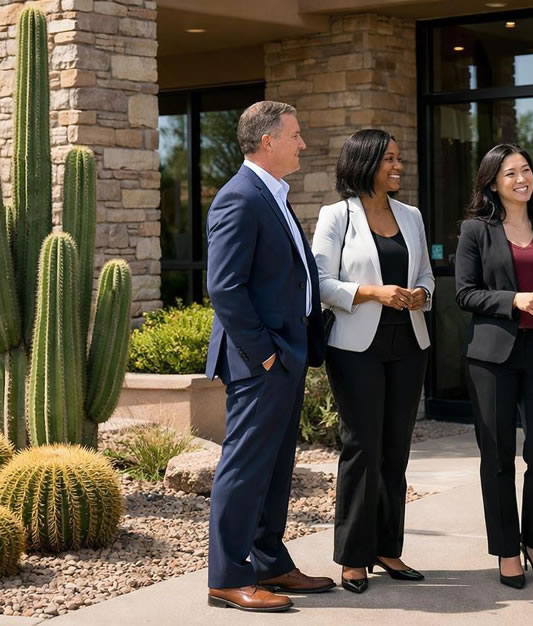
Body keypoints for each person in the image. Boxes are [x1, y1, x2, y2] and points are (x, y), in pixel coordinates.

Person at [204, 100, 335, 613]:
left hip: (287, 356)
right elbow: (226, 288)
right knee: (245, 467)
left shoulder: (273, 194)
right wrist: (264, 356)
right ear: (268, 142)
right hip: (261, 361)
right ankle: (227, 577)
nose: (303, 143)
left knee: (276, 466)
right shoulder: (240, 198)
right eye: (296, 135)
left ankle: (269, 562)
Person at [312, 129, 435, 594]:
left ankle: (387, 548)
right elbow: (319, 282)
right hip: (355, 348)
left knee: (396, 450)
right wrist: (370, 293)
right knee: (362, 448)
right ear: (364, 163)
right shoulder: (336, 216)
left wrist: (422, 293)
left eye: (398, 158)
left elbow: (425, 274)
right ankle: (353, 556)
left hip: (409, 344)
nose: (397, 166)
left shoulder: (412, 215)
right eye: (389, 159)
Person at [455, 144, 533, 590]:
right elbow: (464, 293)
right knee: (498, 455)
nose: (522, 178)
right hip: (492, 359)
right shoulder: (475, 231)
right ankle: (507, 548)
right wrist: (514, 300)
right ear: (492, 182)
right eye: (510, 173)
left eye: (526, 170)